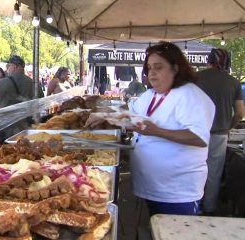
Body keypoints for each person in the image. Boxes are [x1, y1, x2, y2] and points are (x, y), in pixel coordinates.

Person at [86, 42, 215, 216]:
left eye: (159, 67)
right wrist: (106, 112)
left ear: (175, 68)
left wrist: (157, 131)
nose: (152, 73)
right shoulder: (151, 94)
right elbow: (130, 111)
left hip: (176, 192)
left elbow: (199, 138)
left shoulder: (190, 95)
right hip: (151, 186)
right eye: (149, 68)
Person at [196, 48, 245, 215]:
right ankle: (208, 208)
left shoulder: (196, 78)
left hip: (194, 134)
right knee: (213, 173)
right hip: (220, 134)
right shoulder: (233, 82)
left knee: (193, 169)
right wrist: (229, 126)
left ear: (208, 60)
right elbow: (239, 113)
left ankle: (192, 205)